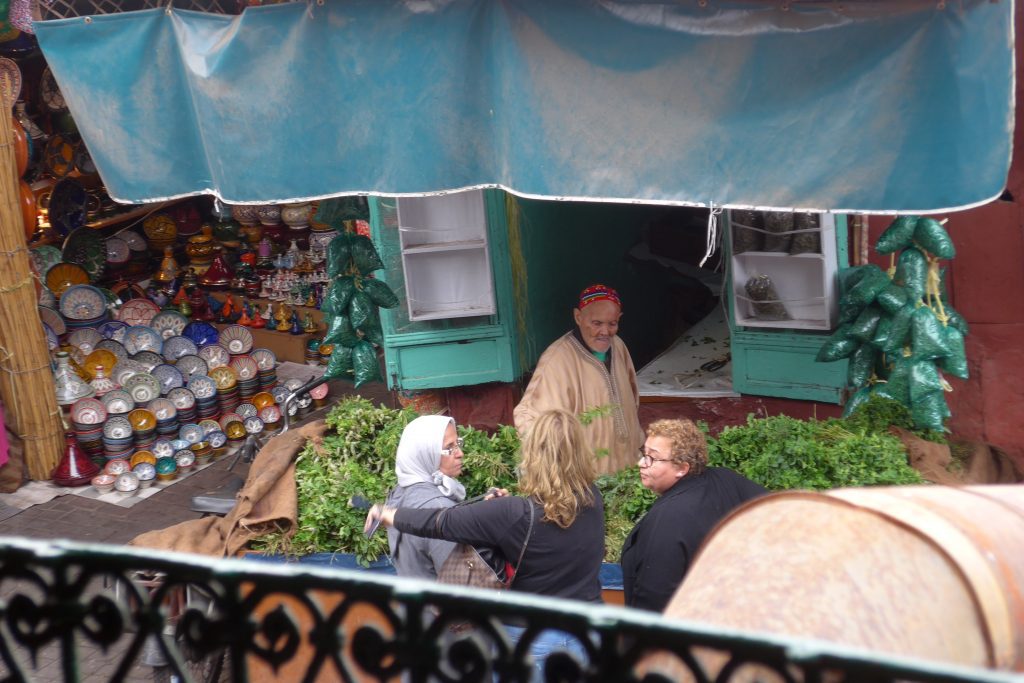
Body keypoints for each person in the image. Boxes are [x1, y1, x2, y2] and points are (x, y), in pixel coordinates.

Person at [365, 409, 604, 677]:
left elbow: (442, 523)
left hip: (532, 638)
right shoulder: (592, 498)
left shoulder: (513, 514)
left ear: (533, 457)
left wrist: (387, 513)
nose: (459, 452)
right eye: (449, 447)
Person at [620, 418, 767, 612]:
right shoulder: (725, 478)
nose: (641, 463)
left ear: (682, 468)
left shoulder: (669, 518)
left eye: (652, 458)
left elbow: (653, 594)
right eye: (644, 453)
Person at [513, 284, 643, 475]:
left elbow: (632, 396)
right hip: (588, 480)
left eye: (612, 324)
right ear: (578, 317)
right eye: (597, 323)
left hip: (629, 470)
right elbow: (529, 417)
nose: (605, 332)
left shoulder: (618, 346)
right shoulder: (557, 360)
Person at [384, 415, 466, 580]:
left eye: (458, 443)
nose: (460, 453)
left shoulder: (401, 492)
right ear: (426, 453)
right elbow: (462, 582)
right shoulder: (439, 511)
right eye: (449, 447)